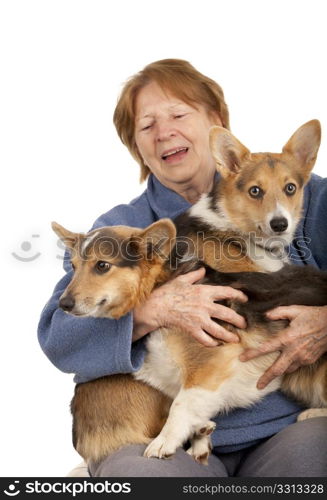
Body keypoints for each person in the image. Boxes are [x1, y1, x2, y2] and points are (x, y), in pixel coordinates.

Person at [38, 59, 327, 477]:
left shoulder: (302, 194)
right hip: (164, 441)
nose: (164, 132)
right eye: (146, 125)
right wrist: (147, 311)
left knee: (314, 460)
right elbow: (59, 337)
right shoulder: (120, 228)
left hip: (285, 429)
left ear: (216, 124)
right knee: (143, 478)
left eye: (178, 114)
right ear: (137, 147)